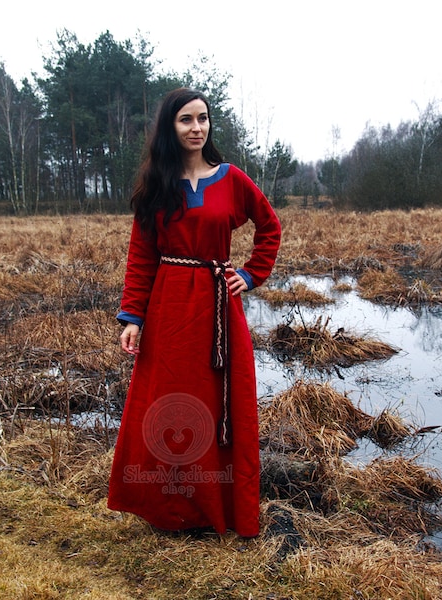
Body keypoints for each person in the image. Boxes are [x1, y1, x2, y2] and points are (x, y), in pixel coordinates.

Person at [107, 88, 281, 537]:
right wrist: (132, 318)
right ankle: (168, 508)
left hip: (219, 308)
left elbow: (270, 227)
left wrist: (252, 272)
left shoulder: (231, 179)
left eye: (202, 119)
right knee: (167, 402)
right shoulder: (156, 185)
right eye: (186, 120)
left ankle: (216, 506)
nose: (196, 128)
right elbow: (141, 257)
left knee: (219, 402)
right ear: (171, 126)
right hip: (168, 311)